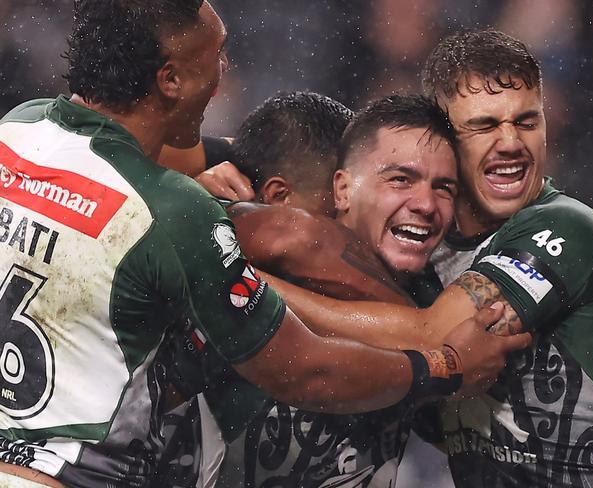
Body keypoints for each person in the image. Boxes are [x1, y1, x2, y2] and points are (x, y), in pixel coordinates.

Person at [0, 1, 532, 485]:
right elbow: (306, 368)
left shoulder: (18, 130)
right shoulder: (174, 214)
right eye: (217, 54)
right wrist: (441, 364)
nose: (224, 71)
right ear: (170, 80)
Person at [265, 29, 593, 486]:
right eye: (485, 126)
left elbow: (432, 336)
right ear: (444, 141)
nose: (511, 143)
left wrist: (245, 286)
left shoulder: (567, 226)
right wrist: (216, 162)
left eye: (527, 122)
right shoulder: (422, 251)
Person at [198, 93, 461, 487]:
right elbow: (292, 234)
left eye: (443, 187)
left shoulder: (429, 281)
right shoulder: (216, 236)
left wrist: (250, 280)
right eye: (399, 179)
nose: (342, 211)